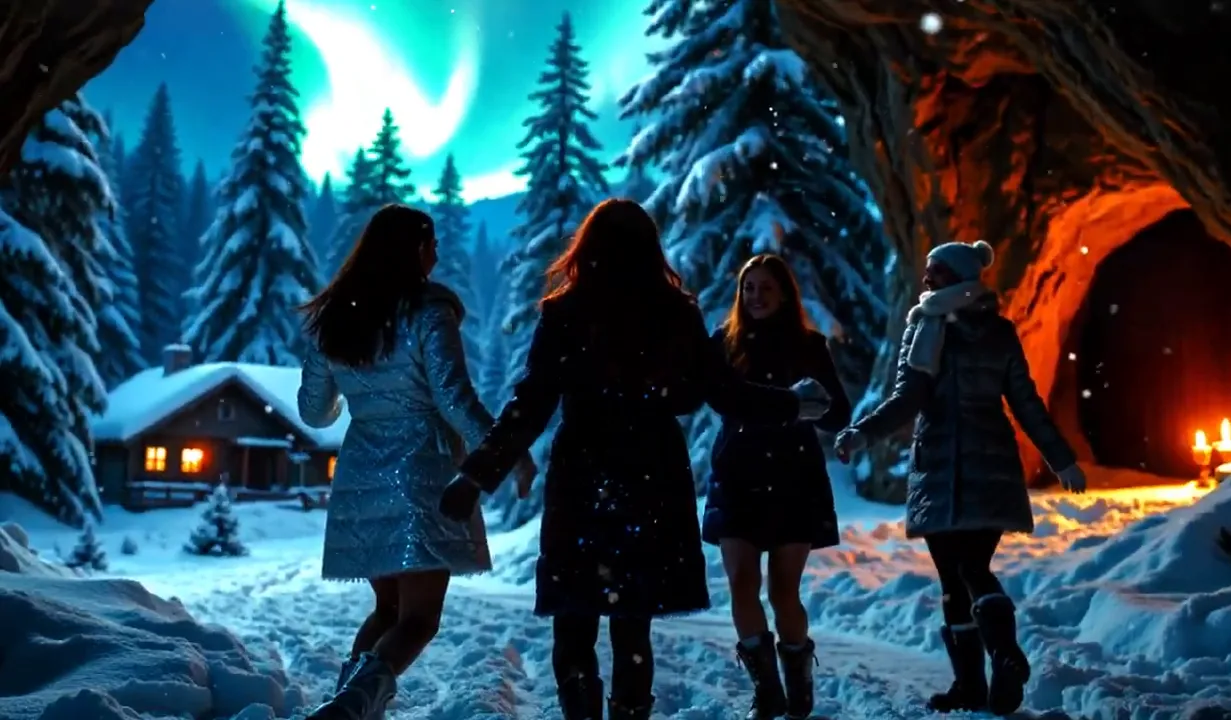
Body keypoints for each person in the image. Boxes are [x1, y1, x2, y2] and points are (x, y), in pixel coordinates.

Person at [437, 198, 831, 720]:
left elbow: (530, 404)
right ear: (651, 249)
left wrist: (475, 476)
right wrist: (793, 402)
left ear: (588, 248)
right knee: (632, 623)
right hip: (652, 478)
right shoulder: (676, 313)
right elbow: (725, 392)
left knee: (575, 618)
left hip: (584, 475)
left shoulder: (565, 312)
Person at [296, 204, 536, 720]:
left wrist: (356, 393)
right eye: (431, 245)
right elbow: (454, 398)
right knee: (420, 618)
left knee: (388, 610)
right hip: (421, 470)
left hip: (361, 471)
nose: (436, 255)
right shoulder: (428, 312)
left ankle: (347, 703)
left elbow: (313, 412)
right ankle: (353, 707)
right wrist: (504, 451)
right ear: (414, 250)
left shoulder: (335, 316)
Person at [834, 239, 1086, 717]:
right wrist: (1060, 457)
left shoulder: (926, 330)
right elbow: (1025, 403)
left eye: (937, 272)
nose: (926, 279)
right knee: (966, 570)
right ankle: (983, 673)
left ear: (960, 276)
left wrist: (863, 434)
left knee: (959, 574)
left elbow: (909, 400)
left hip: (943, 467)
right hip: (991, 464)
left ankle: (990, 666)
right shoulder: (998, 332)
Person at [701, 254, 851, 720]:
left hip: (793, 478)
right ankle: (767, 689)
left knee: (785, 591)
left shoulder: (808, 345)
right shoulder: (723, 344)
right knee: (741, 584)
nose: (756, 296)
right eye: (749, 288)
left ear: (784, 294)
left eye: (766, 288)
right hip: (737, 477)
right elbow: (709, 392)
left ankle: (797, 671)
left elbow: (838, 412)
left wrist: (810, 405)